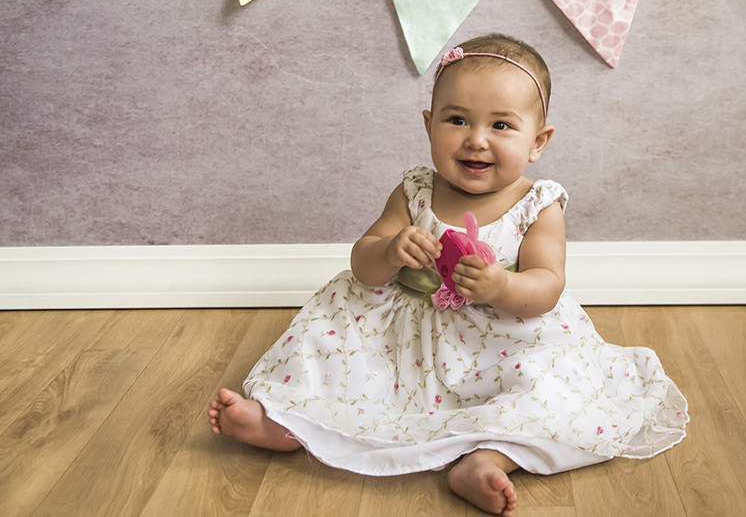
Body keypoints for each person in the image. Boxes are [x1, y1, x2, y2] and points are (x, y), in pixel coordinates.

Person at [207, 33, 688, 516]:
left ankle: (486, 459)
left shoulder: (537, 206)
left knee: (558, 388)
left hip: (501, 340)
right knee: (325, 343)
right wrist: (392, 249)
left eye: (501, 125)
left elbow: (546, 286)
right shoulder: (415, 191)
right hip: (399, 339)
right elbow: (363, 263)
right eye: (457, 119)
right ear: (429, 124)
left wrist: (503, 285)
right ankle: (286, 422)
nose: (476, 139)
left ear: (538, 142)